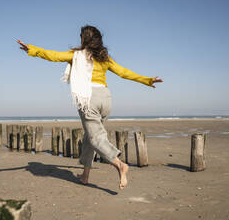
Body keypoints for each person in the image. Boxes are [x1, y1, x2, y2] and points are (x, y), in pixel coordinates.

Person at [16, 25, 163, 189]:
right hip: (106, 98)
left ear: (84, 39)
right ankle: (85, 176)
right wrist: (147, 80)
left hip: (88, 98)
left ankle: (120, 165)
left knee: (96, 138)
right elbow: (123, 72)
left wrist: (32, 49)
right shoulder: (104, 58)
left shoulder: (76, 55)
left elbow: (53, 55)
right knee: (90, 137)